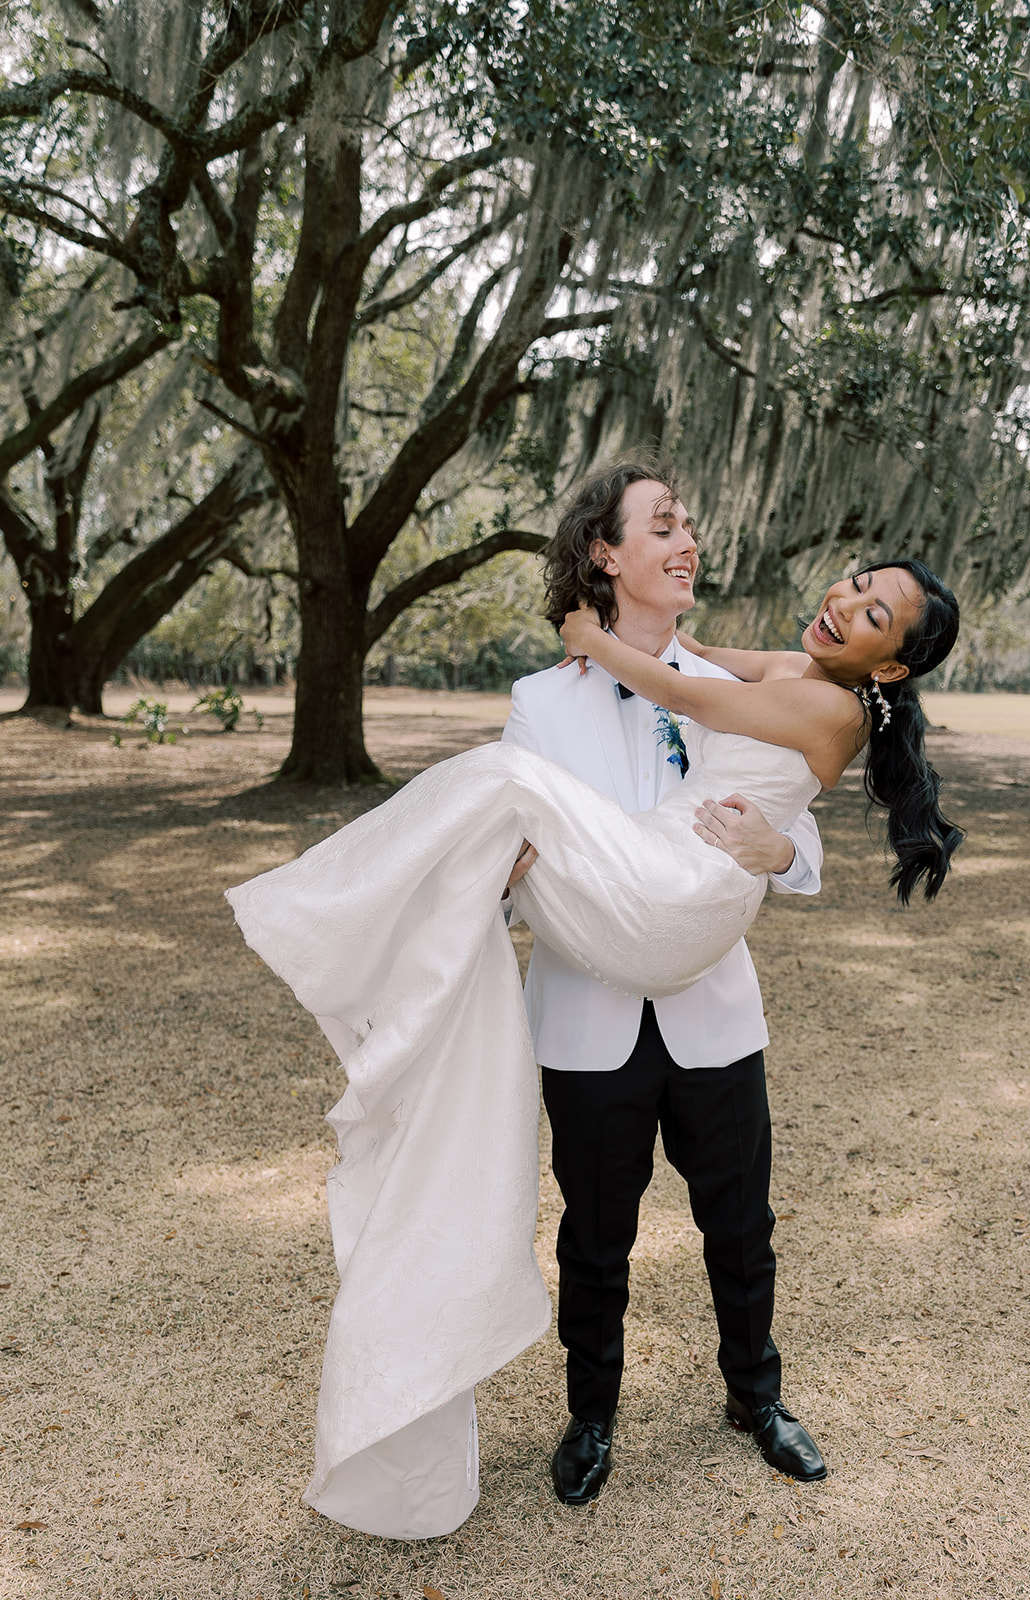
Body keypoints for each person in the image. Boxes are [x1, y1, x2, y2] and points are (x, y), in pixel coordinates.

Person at [225, 463, 961, 1540]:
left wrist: (784, 854)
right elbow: (550, 852)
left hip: (711, 1001)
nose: (689, 540)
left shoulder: (744, 677)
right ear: (604, 555)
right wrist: (509, 866)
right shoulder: (540, 699)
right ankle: (590, 1418)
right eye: (662, 525)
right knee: (594, 1235)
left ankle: (754, 1395)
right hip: (588, 1005)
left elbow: (777, 798)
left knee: (738, 1225)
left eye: (688, 524)